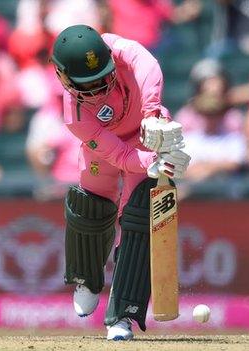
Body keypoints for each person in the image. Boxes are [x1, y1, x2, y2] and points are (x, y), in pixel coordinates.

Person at [50, 25, 191, 340]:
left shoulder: (119, 48)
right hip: (110, 150)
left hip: (147, 131)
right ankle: (87, 279)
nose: (99, 89)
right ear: (64, 77)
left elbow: (147, 65)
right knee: (91, 205)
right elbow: (118, 154)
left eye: (103, 78)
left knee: (139, 217)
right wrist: (151, 162)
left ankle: (122, 316)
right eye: (89, 85)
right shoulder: (75, 115)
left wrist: (153, 113)